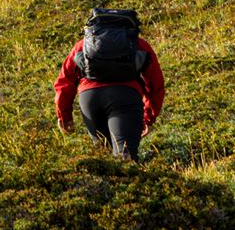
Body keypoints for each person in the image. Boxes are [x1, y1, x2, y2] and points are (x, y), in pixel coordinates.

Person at [54, 10, 164, 160]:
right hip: (125, 98)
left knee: (103, 159)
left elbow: (64, 83)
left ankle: (107, 182)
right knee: (125, 156)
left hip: (90, 99)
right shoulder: (139, 44)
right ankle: (133, 182)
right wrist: (149, 117)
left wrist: (64, 116)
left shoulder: (82, 45)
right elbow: (156, 84)